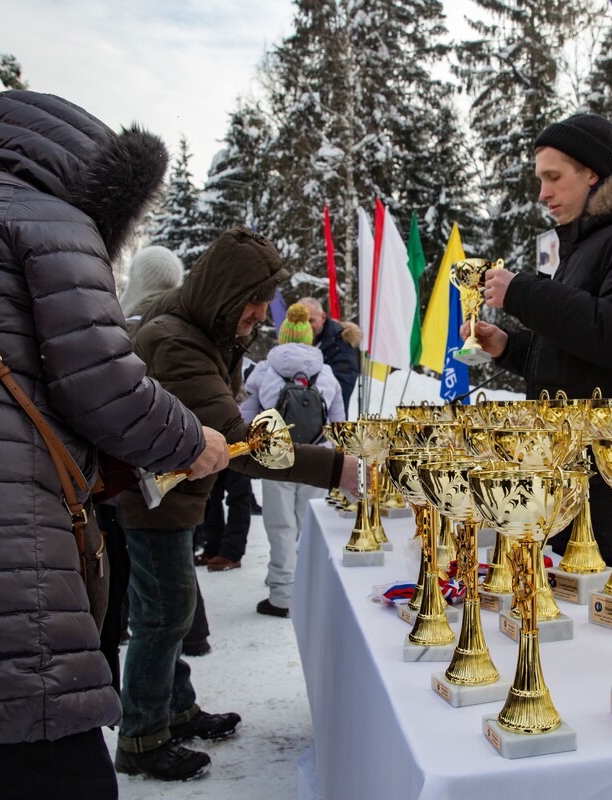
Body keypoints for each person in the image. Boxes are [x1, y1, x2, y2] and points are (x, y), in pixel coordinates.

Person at [0, 89, 229, 799]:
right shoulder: (47, 220)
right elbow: (103, 381)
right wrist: (192, 441)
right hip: (2, 558)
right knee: (47, 760)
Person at [114, 226, 360, 782]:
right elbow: (239, 444)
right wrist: (337, 469)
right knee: (163, 615)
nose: (259, 314)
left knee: (171, 610)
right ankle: (142, 736)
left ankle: (174, 708)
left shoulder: (202, 327)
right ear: (226, 293)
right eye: (253, 302)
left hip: (170, 495)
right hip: (153, 500)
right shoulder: (179, 343)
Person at [463, 112, 612, 561]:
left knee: (610, 605)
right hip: (582, 482)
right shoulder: (591, 241)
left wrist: (524, 293)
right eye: (540, 179)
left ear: (592, 174)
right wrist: (509, 347)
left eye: (554, 177)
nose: (543, 193)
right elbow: (580, 355)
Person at [96, 244, 189, 694]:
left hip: (111, 484)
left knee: (144, 602)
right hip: (148, 481)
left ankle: (169, 698)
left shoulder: (112, 324)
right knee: (161, 608)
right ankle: (144, 714)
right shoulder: (165, 330)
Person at [242, 303, 347, 618]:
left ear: (283, 337)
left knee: (280, 526)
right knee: (308, 523)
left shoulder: (264, 369)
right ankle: (305, 585)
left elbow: (246, 416)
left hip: (275, 455)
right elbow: (339, 423)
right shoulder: (325, 372)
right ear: (308, 339)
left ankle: (282, 595)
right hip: (317, 458)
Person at [298, 295, 360, 415]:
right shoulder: (295, 343)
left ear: (322, 317)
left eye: (311, 321)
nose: (306, 327)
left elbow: (341, 391)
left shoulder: (341, 345)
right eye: (301, 322)